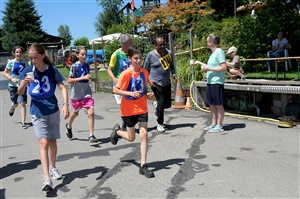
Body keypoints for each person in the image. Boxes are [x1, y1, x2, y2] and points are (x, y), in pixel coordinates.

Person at [18, 43, 70, 192]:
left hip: (52, 110)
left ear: (42, 56)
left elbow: (62, 86)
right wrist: (23, 84)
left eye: (35, 57)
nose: (33, 60)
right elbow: (20, 93)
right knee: (44, 143)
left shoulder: (52, 70)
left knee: (52, 141)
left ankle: (53, 167)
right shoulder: (27, 71)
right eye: (31, 58)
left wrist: (65, 104)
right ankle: (47, 178)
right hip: (37, 111)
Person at [110, 45, 155, 178]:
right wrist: (130, 92)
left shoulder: (145, 72)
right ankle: (117, 132)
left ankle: (143, 166)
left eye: (140, 58)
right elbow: (115, 90)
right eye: (135, 58)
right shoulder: (126, 74)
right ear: (130, 59)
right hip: (128, 109)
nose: (138, 61)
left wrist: (148, 94)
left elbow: (143, 88)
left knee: (144, 134)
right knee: (131, 138)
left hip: (142, 108)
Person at [192, 34, 227, 133]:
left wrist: (209, 69)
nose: (206, 43)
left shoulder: (219, 52)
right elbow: (209, 66)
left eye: (207, 41)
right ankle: (213, 123)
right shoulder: (212, 54)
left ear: (211, 42)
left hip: (217, 82)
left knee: (218, 104)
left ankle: (219, 125)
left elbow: (223, 67)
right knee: (211, 104)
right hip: (210, 82)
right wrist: (199, 63)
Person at [65, 47, 98, 142]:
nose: (84, 56)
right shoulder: (74, 66)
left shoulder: (87, 65)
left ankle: (91, 135)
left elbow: (86, 76)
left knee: (91, 112)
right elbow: (70, 80)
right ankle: (69, 125)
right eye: (82, 54)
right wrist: (82, 77)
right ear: (77, 55)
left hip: (86, 92)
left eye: (85, 55)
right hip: (77, 94)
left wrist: (92, 79)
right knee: (75, 113)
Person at [144, 37, 176, 132]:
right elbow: (145, 70)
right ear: (156, 46)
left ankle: (156, 106)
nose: (162, 47)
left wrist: (173, 74)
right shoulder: (151, 55)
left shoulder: (169, 53)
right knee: (161, 101)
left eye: (163, 44)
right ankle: (160, 123)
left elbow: (172, 66)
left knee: (167, 104)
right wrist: (149, 80)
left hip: (166, 82)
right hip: (156, 82)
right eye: (160, 45)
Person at [107, 34, 132, 130]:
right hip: (120, 82)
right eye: (130, 42)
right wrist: (115, 79)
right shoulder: (116, 54)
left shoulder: (131, 53)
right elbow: (109, 69)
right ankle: (124, 124)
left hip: (130, 81)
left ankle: (129, 121)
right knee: (123, 103)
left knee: (130, 102)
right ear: (123, 43)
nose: (132, 43)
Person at [3, 46, 28, 129]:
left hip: (22, 85)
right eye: (17, 52)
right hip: (13, 86)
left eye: (20, 52)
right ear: (14, 53)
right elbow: (5, 73)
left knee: (23, 103)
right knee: (15, 103)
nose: (19, 54)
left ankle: (23, 121)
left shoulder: (24, 62)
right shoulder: (11, 62)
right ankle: (13, 107)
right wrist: (11, 79)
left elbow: (27, 72)